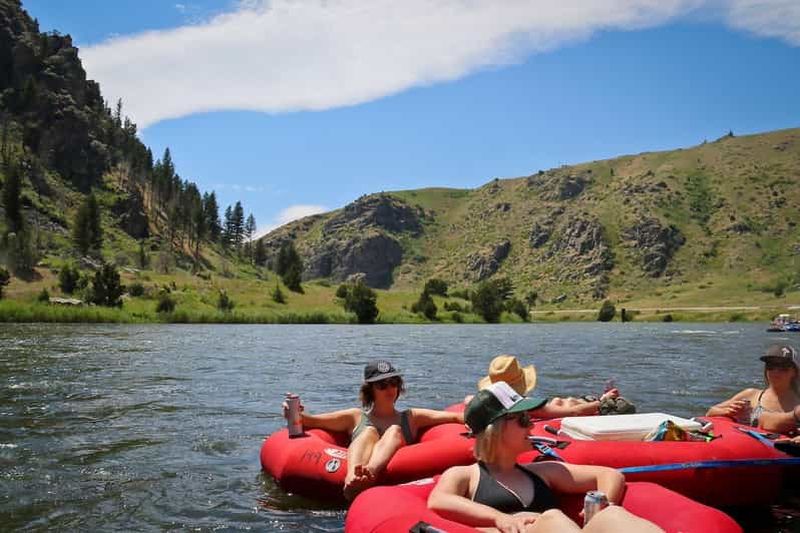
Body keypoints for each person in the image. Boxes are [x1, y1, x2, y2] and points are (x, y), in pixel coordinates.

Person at [429, 381, 663, 532]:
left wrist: (602, 503)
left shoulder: (544, 471)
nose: (531, 426)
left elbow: (609, 475)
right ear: (495, 430)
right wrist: (501, 519)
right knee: (552, 518)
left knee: (613, 515)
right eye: (522, 420)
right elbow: (439, 501)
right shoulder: (466, 475)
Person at [283, 359, 464, 500]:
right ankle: (353, 477)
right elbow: (313, 421)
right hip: (357, 466)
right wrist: (295, 413)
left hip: (384, 473)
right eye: (382, 385)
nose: (390, 388)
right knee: (368, 432)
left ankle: (370, 473)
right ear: (370, 390)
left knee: (394, 430)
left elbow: (454, 417)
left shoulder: (411, 417)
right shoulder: (355, 417)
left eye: (393, 382)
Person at [468, 355, 628, 418]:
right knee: (569, 403)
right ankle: (598, 398)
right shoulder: (520, 405)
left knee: (561, 400)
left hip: (549, 407)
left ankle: (589, 399)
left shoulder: (481, 400)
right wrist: (603, 400)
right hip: (559, 412)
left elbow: (468, 399)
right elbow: (574, 412)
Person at [706, 344, 800, 435]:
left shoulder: (797, 403)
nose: (776, 371)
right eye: (771, 366)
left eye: (783, 367)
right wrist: (728, 411)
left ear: (794, 372)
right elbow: (710, 412)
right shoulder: (751, 395)